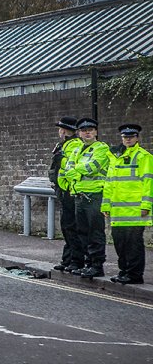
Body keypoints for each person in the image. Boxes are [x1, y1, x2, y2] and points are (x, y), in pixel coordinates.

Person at [62, 118, 112, 279]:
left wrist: (76, 170)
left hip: (94, 196)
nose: (87, 132)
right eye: (84, 130)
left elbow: (93, 167)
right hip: (79, 196)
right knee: (82, 232)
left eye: (90, 129)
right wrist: (77, 170)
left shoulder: (102, 148)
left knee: (95, 232)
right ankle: (87, 264)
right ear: (79, 133)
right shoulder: (77, 150)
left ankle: (97, 265)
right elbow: (67, 169)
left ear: (96, 132)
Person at [102, 124, 151, 285]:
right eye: (125, 137)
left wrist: (146, 205)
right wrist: (105, 206)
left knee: (133, 245)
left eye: (131, 136)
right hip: (118, 211)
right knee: (120, 243)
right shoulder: (116, 157)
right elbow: (109, 183)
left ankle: (135, 275)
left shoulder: (144, 156)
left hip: (135, 211)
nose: (128, 139)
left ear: (137, 138)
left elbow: (148, 183)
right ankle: (124, 272)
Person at [49, 116, 84, 272]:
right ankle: (68, 259)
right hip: (63, 189)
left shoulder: (74, 145)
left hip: (69, 190)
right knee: (67, 226)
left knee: (71, 226)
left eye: (60, 129)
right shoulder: (65, 144)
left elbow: (69, 166)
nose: (59, 132)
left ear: (64, 131)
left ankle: (76, 261)